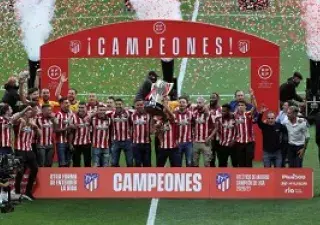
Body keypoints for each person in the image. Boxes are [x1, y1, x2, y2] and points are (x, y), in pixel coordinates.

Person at [13, 104, 41, 200]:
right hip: (20, 149)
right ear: (24, 112)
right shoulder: (20, 121)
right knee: (21, 171)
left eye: (30, 111)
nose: (30, 112)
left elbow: (40, 134)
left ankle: (28, 191)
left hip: (29, 149)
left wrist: (36, 127)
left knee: (35, 169)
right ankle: (17, 192)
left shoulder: (32, 121)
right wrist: (24, 111)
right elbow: (14, 120)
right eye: (28, 111)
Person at [155, 102, 181, 167]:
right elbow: (157, 134)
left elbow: (172, 116)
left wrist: (166, 106)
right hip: (163, 148)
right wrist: (159, 129)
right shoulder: (160, 121)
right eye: (164, 112)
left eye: (167, 112)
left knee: (176, 167)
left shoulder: (173, 120)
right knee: (159, 166)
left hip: (173, 147)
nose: (166, 114)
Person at [110, 98, 133, 167]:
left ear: (123, 104)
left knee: (129, 162)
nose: (118, 106)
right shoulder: (112, 114)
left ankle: (129, 175)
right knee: (114, 162)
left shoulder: (129, 113)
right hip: (116, 140)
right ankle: (116, 175)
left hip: (127, 141)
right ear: (114, 105)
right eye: (116, 104)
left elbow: (133, 124)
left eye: (119, 104)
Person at [234, 98, 256, 167]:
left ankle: (248, 177)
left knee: (249, 163)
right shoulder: (234, 115)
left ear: (245, 107)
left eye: (242, 105)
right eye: (239, 105)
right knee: (241, 163)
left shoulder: (248, 114)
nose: (240, 106)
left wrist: (253, 97)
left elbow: (255, 107)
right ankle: (241, 177)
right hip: (239, 143)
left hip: (249, 142)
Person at [69, 102, 91, 167]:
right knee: (76, 163)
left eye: (82, 107)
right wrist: (70, 144)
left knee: (87, 163)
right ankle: (77, 176)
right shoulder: (73, 116)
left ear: (86, 108)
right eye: (79, 107)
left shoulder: (90, 116)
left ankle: (87, 176)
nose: (81, 109)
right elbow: (71, 132)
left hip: (87, 143)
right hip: (76, 144)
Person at [130, 99, 152, 167]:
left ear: (144, 105)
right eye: (138, 105)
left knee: (147, 163)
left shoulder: (149, 114)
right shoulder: (131, 115)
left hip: (146, 143)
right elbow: (129, 127)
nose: (139, 106)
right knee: (137, 163)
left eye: (141, 105)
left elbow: (152, 127)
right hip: (136, 143)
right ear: (135, 106)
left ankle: (147, 177)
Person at [192, 97, 213, 167]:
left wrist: (209, 137)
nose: (198, 104)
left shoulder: (209, 114)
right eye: (197, 102)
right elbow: (192, 125)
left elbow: (215, 127)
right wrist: (193, 135)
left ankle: (207, 177)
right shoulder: (194, 113)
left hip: (206, 142)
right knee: (195, 163)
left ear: (204, 104)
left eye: (200, 103)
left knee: (207, 163)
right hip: (196, 141)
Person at [174, 96, 193, 167]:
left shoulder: (191, 114)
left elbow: (194, 124)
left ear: (187, 104)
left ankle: (189, 177)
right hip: (177, 142)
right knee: (178, 163)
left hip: (188, 142)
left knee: (189, 162)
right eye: (180, 102)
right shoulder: (174, 114)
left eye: (183, 102)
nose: (181, 104)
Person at [55, 97, 73, 167]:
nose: (68, 104)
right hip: (60, 142)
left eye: (68, 103)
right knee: (62, 164)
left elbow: (71, 130)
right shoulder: (58, 115)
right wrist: (67, 128)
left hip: (69, 142)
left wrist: (70, 143)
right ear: (61, 104)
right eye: (66, 103)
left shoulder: (71, 114)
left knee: (68, 164)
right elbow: (56, 130)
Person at [209, 92, 222, 167]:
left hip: (219, 138)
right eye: (211, 97)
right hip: (210, 138)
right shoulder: (207, 108)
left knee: (220, 157)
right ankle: (211, 174)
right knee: (211, 158)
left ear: (218, 99)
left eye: (214, 97)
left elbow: (218, 125)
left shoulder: (220, 109)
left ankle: (221, 175)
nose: (212, 99)